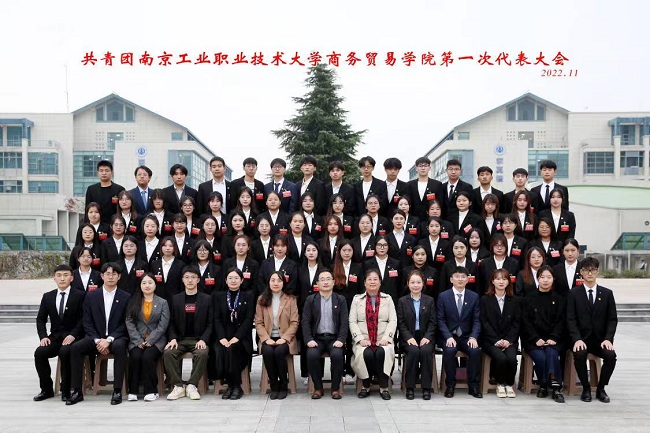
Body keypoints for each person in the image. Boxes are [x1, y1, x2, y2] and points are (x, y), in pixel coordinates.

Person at [67, 262, 131, 405]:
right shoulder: (91, 296)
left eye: (114, 274)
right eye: (107, 274)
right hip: (94, 337)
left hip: (116, 337)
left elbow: (126, 322)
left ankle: (117, 390)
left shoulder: (126, 297)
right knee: (76, 348)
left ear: (119, 277)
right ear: (102, 276)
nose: (110, 277)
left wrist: (109, 339)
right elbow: (87, 322)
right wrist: (97, 340)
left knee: (120, 347)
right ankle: (77, 391)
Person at [567, 257, 618, 403]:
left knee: (611, 356)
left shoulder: (607, 293)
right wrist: (576, 339)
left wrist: (608, 339)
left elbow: (612, 319)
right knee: (580, 353)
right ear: (581, 272)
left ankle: (601, 388)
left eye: (593, 270)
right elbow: (570, 319)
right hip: (581, 338)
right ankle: (586, 387)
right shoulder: (574, 293)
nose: (590, 273)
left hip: (600, 340)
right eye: (586, 270)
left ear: (598, 271)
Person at [33, 265, 85, 402]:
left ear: (71, 278)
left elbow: (83, 319)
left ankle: (66, 390)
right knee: (39, 353)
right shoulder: (48, 296)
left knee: (65, 352)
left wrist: (73, 334)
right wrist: (43, 336)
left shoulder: (80, 295)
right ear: (54, 278)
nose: (62, 278)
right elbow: (40, 319)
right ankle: (46, 389)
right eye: (59, 275)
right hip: (55, 337)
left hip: (74, 337)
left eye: (66, 275)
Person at [163, 266, 213, 401]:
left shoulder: (207, 299)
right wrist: (173, 338)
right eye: (187, 277)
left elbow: (210, 323)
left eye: (193, 277)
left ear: (198, 280)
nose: (190, 280)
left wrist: (203, 339)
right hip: (180, 339)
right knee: (168, 353)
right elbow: (171, 322)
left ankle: (192, 385)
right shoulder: (176, 299)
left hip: (198, 339)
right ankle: (178, 386)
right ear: (182, 280)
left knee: (202, 353)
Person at [349, 269, 397, 400]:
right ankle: (366, 385)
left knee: (382, 352)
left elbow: (393, 320)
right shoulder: (357, 299)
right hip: (363, 340)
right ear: (364, 282)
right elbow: (352, 321)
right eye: (369, 279)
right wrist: (360, 339)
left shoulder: (388, 299)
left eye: (375, 279)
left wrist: (387, 338)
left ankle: (383, 387)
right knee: (367, 353)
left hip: (383, 339)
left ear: (380, 282)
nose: (372, 282)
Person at [521, 265, 566, 403]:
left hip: (554, 339)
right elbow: (526, 322)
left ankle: (555, 386)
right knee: (541, 357)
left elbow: (561, 321)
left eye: (549, 277)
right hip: (533, 340)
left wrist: (553, 337)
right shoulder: (529, 298)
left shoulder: (559, 299)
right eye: (542, 277)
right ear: (538, 279)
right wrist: (536, 338)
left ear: (553, 279)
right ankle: (544, 383)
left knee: (551, 353)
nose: (545, 280)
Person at [302, 269, 349, 399]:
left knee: (338, 355)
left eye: (328, 279)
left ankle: (335, 389)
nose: (326, 282)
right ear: (317, 284)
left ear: (333, 282)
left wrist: (341, 339)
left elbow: (344, 322)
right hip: (317, 338)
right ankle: (318, 388)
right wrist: (309, 339)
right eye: (322, 280)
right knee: (311, 355)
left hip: (334, 338)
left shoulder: (340, 299)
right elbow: (305, 321)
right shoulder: (311, 300)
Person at [437, 266, 482, 398]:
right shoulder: (443, 296)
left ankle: (473, 385)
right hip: (449, 336)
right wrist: (448, 336)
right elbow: (440, 320)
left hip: (467, 336)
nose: (460, 279)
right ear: (451, 279)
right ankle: (450, 385)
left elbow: (477, 320)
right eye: (457, 276)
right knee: (449, 350)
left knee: (475, 351)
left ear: (468, 279)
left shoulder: (474, 296)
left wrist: (473, 337)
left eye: (463, 277)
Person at [124, 272, 170, 402]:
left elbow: (163, 325)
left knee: (148, 357)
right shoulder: (134, 301)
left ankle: (151, 391)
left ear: (155, 285)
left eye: (150, 282)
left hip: (156, 341)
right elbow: (129, 321)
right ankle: (133, 391)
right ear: (140, 285)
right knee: (135, 356)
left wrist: (150, 340)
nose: (147, 285)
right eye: (144, 283)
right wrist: (138, 340)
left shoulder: (163, 302)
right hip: (137, 340)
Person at [255, 271, 300, 400]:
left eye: (279, 281)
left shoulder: (291, 299)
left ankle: (283, 385)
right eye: (273, 280)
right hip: (268, 337)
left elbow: (295, 322)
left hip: (286, 338)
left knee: (280, 352)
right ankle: (274, 385)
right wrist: (266, 339)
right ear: (268, 282)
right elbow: (258, 322)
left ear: (283, 283)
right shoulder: (261, 299)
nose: (276, 283)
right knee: (268, 352)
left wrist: (284, 338)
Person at [214, 268, 255, 400]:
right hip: (224, 337)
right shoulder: (218, 296)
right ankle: (232, 385)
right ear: (226, 280)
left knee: (232, 350)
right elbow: (216, 319)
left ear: (241, 280)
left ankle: (235, 386)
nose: (233, 280)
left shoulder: (248, 296)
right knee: (221, 349)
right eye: (230, 278)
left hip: (242, 338)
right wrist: (222, 338)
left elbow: (249, 319)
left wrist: (237, 337)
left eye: (236, 278)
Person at [480, 269, 521, 398]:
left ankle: (509, 384)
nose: (501, 282)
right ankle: (500, 383)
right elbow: (484, 322)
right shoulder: (485, 300)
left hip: (509, 340)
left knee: (512, 359)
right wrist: (496, 340)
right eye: (498, 279)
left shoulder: (514, 300)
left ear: (509, 281)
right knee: (501, 358)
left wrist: (508, 340)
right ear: (492, 281)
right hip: (490, 340)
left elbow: (516, 323)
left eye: (504, 279)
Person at [397, 270, 436, 400]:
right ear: (408, 284)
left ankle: (426, 388)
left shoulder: (429, 300)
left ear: (423, 283)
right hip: (408, 337)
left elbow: (433, 322)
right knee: (413, 351)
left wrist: (427, 337)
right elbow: (401, 323)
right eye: (412, 282)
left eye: (418, 282)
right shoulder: (402, 301)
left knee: (425, 351)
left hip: (425, 336)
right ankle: (410, 387)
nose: (415, 285)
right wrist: (408, 337)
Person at [363, 235, 402, 304]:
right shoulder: (368, 264)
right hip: (372, 299)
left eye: (385, 245)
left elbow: (399, 284)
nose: (382, 248)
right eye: (379, 245)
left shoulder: (396, 264)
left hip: (392, 300)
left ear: (388, 246)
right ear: (375, 246)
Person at [85, 160, 125, 224]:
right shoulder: (91, 189)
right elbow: (87, 209)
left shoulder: (119, 189)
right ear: (98, 173)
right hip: (96, 224)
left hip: (114, 225)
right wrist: (87, 225)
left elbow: (123, 209)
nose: (104, 173)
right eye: (101, 171)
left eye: (107, 171)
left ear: (112, 173)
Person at [407, 156, 446, 221]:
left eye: (425, 166)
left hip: (431, 221)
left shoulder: (437, 184)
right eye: (420, 166)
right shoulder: (409, 185)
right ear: (416, 168)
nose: (423, 168)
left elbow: (440, 204)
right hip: (413, 220)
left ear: (429, 168)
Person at [150, 237, 184, 305]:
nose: (167, 248)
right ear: (161, 247)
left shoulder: (181, 265)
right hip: (157, 299)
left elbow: (181, 285)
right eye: (165, 246)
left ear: (175, 248)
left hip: (175, 300)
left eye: (171, 246)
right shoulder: (154, 264)